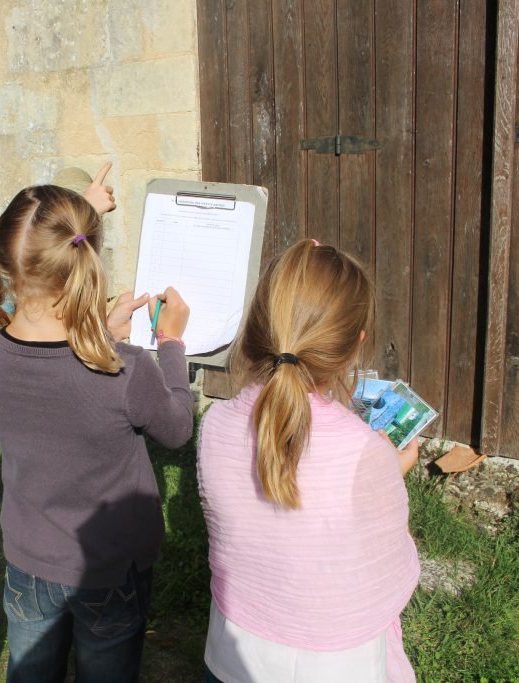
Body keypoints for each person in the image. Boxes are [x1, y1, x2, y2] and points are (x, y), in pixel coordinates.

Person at [0, 183, 194, 683]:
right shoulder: (125, 371)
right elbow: (177, 428)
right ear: (89, 264)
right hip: (109, 567)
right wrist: (171, 342)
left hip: (28, 557)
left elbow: (58, 379)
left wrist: (102, 335)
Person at [197, 239, 421, 682]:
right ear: (355, 345)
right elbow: (391, 576)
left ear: (258, 327)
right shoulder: (366, 452)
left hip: (234, 654)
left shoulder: (216, 423)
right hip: (336, 664)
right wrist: (390, 474)